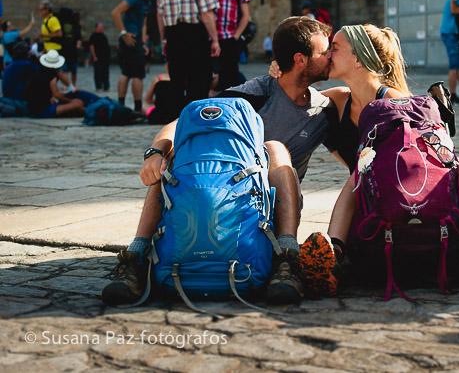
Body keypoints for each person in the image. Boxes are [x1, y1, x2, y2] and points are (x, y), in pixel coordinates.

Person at [101, 17, 337, 307]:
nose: (331, 56)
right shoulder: (256, 94)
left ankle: (287, 260)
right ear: (300, 59)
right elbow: (185, 122)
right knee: (176, 157)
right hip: (228, 199)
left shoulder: (325, 110)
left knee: (275, 148)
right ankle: (135, 258)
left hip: (273, 210)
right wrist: (157, 152)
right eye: (325, 51)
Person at [297, 24, 459, 297]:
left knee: (456, 165)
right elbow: (295, 96)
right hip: (372, 200)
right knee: (360, 171)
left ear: (357, 59)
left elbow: (429, 160)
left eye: (335, 48)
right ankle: (330, 255)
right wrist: (279, 73)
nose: (328, 54)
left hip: (407, 193)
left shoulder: (398, 103)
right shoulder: (337, 100)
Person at [156, 0, 220, 107]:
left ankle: (178, 122)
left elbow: (160, 14)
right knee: (199, 81)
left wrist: (163, 39)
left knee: (177, 81)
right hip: (194, 35)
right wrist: (214, 40)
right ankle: (195, 122)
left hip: (172, 34)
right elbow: (206, 14)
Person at [209, 0, 251, 91]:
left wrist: (236, 37)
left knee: (229, 80)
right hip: (208, 39)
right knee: (207, 78)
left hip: (229, 39)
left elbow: (246, 15)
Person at [112, 0, 156, 111]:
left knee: (130, 73)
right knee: (135, 74)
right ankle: (134, 108)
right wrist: (123, 33)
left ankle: (126, 107)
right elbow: (115, 12)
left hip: (136, 40)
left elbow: (143, 23)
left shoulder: (147, 1)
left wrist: (143, 43)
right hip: (129, 39)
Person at [23, 50, 89, 118]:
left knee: (73, 105)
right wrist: (70, 101)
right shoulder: (51, 75)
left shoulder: (38, 71)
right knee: (77, 104)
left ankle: (87, 111)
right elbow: (56, 94)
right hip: (42, 110)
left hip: (31, 107)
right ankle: (89, 112)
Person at [440, 0, 459, 104]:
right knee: (454, 66)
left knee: (458, 66)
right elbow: (455, 9)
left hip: (452, 33)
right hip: (450, 33)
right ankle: (453, 95)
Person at [88, 22, 111, 91]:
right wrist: (94, 56)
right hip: (97, 57)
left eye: (102, 27)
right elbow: (91, 46)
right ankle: (98, 87)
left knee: (105, 72)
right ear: (96, 28)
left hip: (105, 58)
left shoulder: (103, 35)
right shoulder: (93, 36)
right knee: (98, 73)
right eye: (100, 27)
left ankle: (106, 87)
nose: (101, 29)